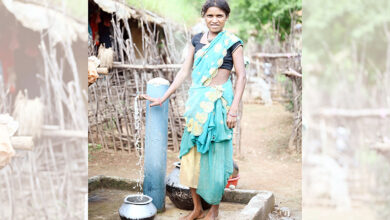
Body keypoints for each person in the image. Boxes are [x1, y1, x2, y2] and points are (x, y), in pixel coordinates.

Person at [142, 0, 246, 219]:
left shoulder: (232, 42)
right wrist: (164, 97)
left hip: (219, 105)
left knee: (215, 158)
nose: (214, 20)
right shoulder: (196, 41)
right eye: (210, 16)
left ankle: (214, 210)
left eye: (219, 16)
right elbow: (183, 72)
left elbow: (241, 76)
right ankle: (197, 208)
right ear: (204, 17)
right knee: (191, 156)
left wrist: (234, 109)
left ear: (226, 17)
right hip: (196, 106)